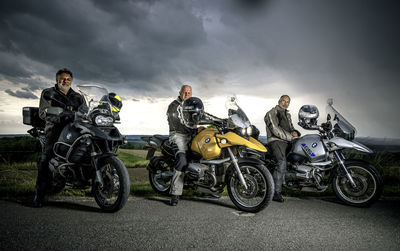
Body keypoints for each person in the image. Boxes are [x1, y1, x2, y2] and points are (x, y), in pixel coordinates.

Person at [32, 68, 87, 207]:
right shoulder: (48, 93)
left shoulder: (78, 96)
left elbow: (86, 110)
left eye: (68, 79)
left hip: (74, 128)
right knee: (47, 156)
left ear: (71, 81)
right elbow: (43, 113)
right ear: (57, 80)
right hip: (55, 128)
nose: (65, 81)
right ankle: (39, 195)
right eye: (62, 79)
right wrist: (60, 116)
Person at [264, 95, 300, 203]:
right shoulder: (272, 112)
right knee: (281, 162)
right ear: (279, 101)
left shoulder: (287, 114)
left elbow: (291, 128)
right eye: (283, 101)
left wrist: (295, 132)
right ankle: (275, 193)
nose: (285, 103)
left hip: (287, 141)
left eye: (287, 102)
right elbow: (275, 129)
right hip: (275, 141)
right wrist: (291, 137)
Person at [166, 85, 196, 206]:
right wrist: (195, 130)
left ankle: (208, 189)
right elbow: (177, 124)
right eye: (185, 92)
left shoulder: (192, 105)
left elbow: (202, 115)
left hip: (190, 135)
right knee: (182, 160)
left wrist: (217, 121)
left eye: (189, 93)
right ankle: (175, 193)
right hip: (178, 135)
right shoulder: (173, 106)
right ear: (180, 92)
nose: (187, 95)